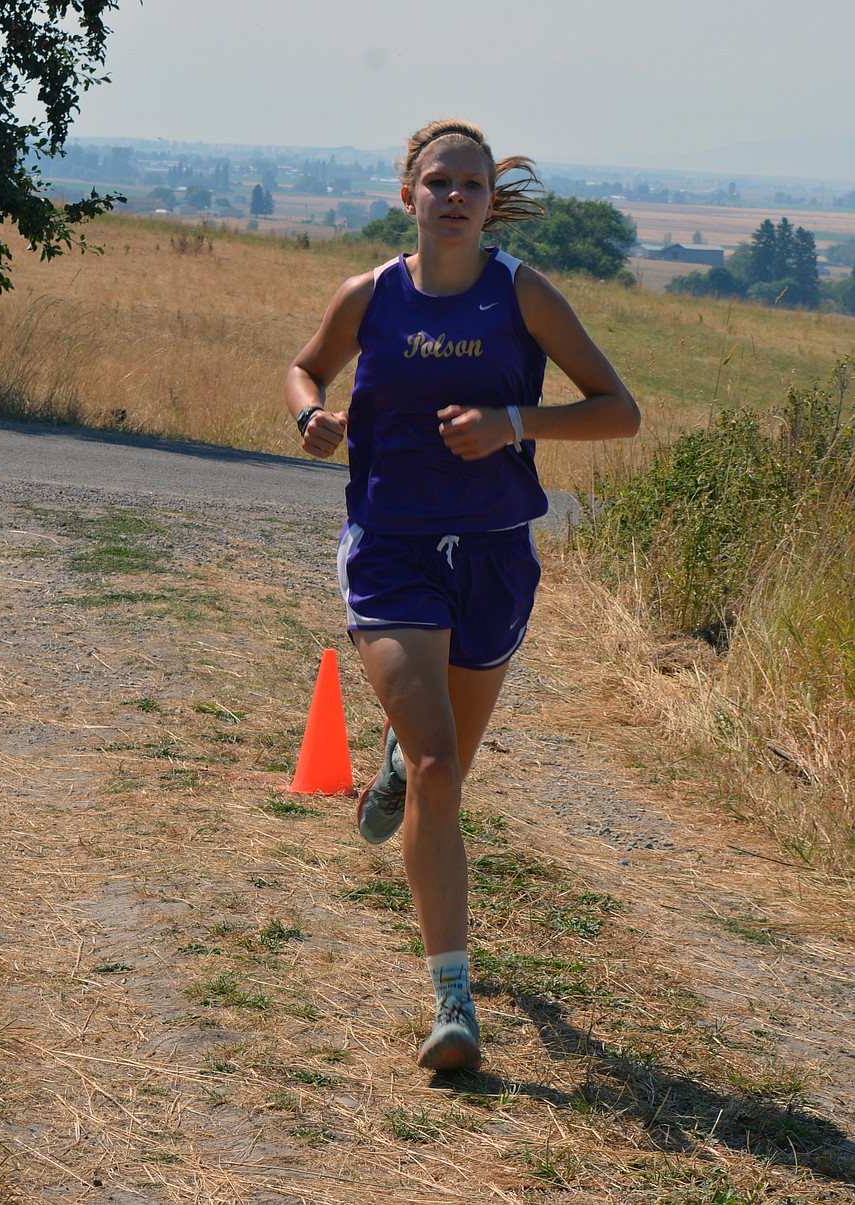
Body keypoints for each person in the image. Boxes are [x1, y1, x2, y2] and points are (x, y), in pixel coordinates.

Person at [284, 117, 639, 1072]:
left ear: (489, 200)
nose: (452, 196)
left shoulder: (521, 294)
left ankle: (398, 759)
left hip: (493, 555)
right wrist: (313, 414)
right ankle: (453, 1000)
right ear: (408, 196)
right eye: (435, 181)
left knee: (446, 767)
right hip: (391, 546)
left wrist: (513, 422)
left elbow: (620, 410)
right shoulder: (371, 296)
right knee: (443, 770)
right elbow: (305, 366)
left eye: (469, 185)